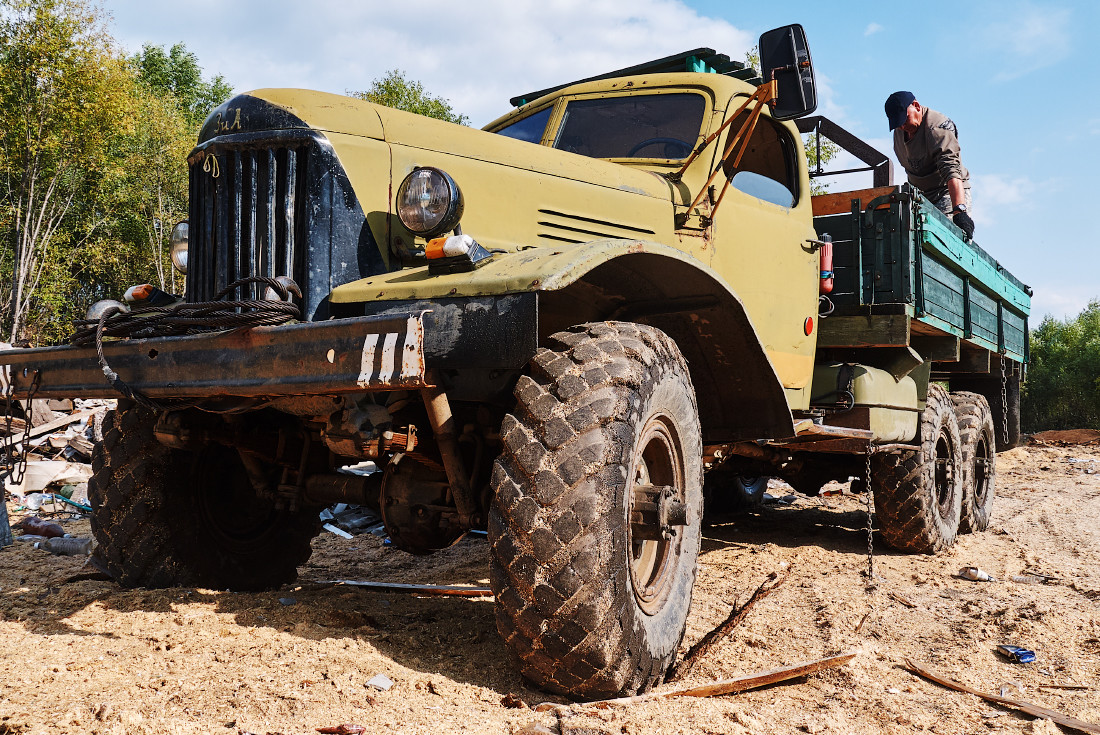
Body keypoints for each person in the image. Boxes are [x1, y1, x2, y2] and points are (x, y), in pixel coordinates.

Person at [885, 91, 975, 240]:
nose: (901, 126)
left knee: (945, 241)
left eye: (904, 119)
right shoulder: (900, 130)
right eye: (897, 123)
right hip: (921, 196)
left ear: (916, 106)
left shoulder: (937, 128)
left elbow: (951, 170)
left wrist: (959, 210)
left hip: (945, 192)